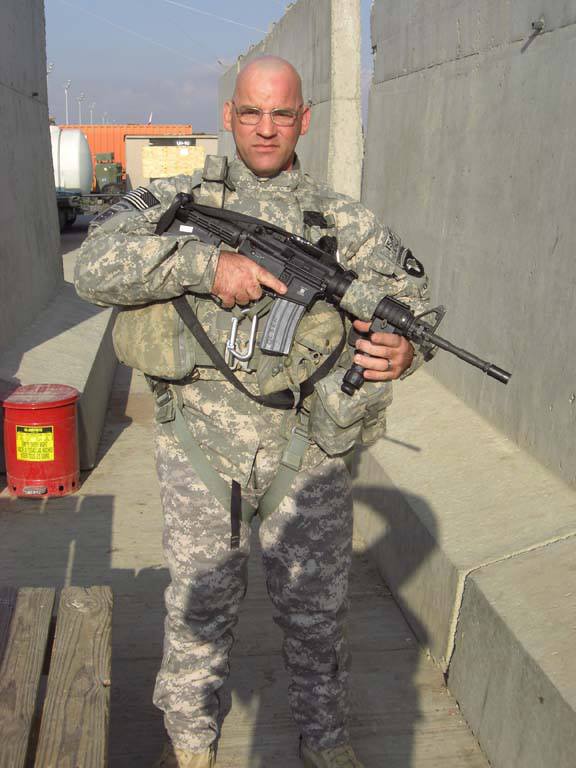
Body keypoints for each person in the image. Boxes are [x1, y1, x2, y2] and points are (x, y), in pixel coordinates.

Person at [75, 56, 430, 768]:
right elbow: (92, 268)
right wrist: (205, 267)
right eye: (250, 113)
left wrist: (404, 350)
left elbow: (409, 300)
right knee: (200, 606)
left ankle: (326, 740)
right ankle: (191, 739)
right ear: (230, 115)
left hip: (309, 449)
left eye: (281, 114)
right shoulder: (176, 201)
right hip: (199, 445)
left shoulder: (344, 220)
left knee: (317, 615)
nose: (266, 129)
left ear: (304, 119)